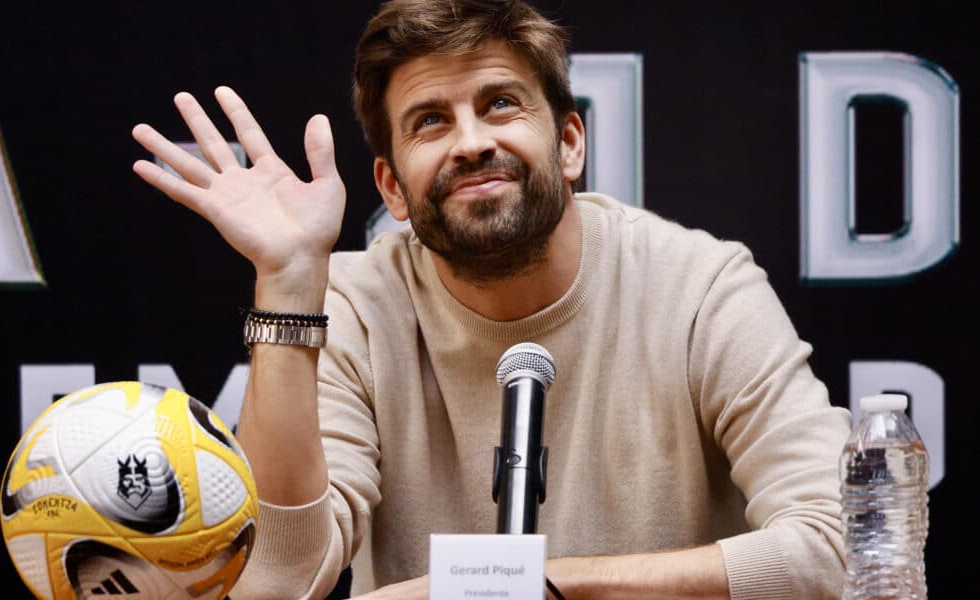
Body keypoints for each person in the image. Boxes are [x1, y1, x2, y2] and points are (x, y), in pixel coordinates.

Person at [131, 1, 852, 598]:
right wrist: (289, 281)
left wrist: (544, 585)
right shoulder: (354, 304)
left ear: (569, 143)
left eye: (499, 104)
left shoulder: (700, 287)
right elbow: (278, 582)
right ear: (391, 188)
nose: (471, 143)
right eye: (431, 121)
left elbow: (845, 547)